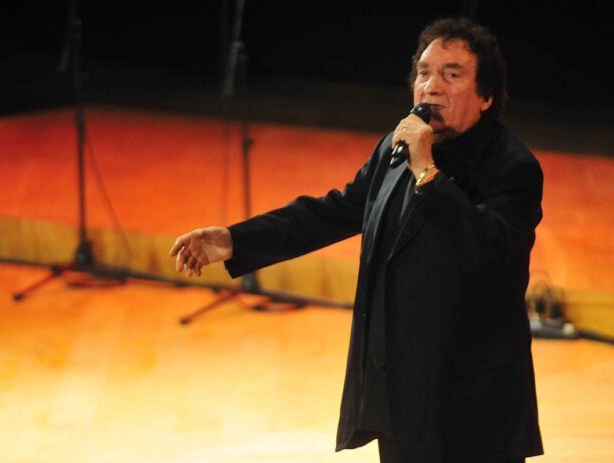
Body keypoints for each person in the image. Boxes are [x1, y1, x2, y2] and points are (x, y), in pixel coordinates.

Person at [170, 17, 544, 463]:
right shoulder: (396, 149)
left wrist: (427, 172)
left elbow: (484, 248)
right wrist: (236, 240)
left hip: (472, 405)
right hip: (401, 393)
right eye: (424, 73)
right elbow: (335, 212)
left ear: (486, 96)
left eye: (452, 74)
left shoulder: (511, 168)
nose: (431, 87)